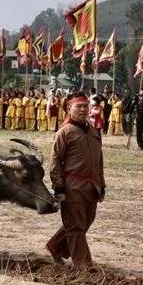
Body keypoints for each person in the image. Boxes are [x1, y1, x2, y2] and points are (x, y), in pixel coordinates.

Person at [46, 92, 105, 270]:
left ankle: (56, 246)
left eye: (85, 106)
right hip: (72, 185)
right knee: (75, 225)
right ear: (69, 109)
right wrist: (59, 188)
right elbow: (55, 161)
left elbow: (99, 160)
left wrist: (101, 185)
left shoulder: (94, 131)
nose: (82, 109)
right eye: (78, 106)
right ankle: (83, 263)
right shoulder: (64, 132)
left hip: (92, 184)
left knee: (85, 221)